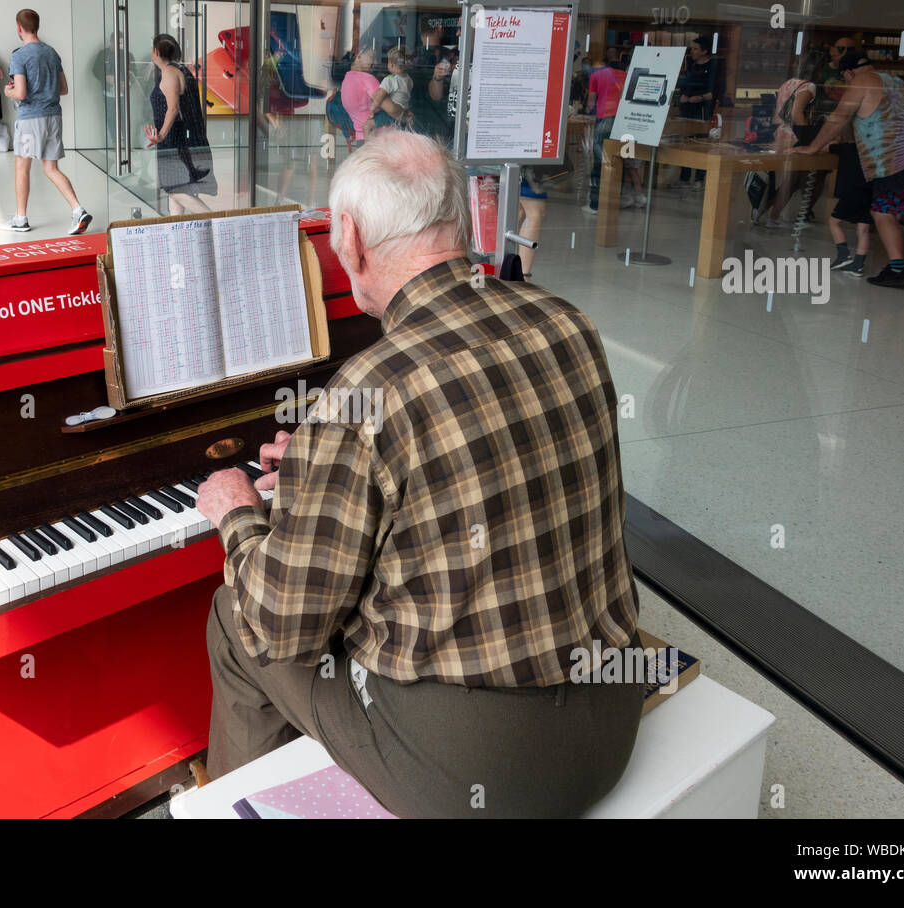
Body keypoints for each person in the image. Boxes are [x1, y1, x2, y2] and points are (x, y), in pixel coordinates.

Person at [195, 131, 644, 819]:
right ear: (463, 219)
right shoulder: (565, 320)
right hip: (613, 717)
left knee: (234, 619)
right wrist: (324, 467)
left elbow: (279, 623)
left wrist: (237, 512)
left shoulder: (365, 390)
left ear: (348, 236)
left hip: (480, 770)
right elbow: (486, 457)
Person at [795, 50, 904, 289]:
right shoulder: (895, 81)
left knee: (882, 211)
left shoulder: (860, 81)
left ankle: (898, 270)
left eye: (844, 78)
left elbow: (839, 117)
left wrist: (812, 147)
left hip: (896, 155)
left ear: (849, 72)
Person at [0, 8, 92, 235]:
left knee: (22, 167)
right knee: (51, 168)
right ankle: (78, 210)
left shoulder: (19, 56)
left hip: (31, 119)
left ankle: (21, 219)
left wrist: (8, 91)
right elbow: (63, 89)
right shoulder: (52, 53)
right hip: (53, 117)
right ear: (37, 26)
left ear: (19, 28)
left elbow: (20, 93)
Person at [145, 33, 216, 214]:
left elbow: (173, 109)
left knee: (176, 190)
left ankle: (217, 221)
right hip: (181, 137)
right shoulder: (179, 70)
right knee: (175, 190)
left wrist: (160, 135)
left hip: (175, 139)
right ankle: (176, 235)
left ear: (155, 52)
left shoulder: (170, 73)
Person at [762, 48, 828, 227]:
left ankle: (765, 212)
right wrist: (807, 140)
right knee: (792, 180)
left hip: (781, 133)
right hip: (795, 135)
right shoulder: (809, 86)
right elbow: (797, 112)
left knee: (789, 178)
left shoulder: (788, 83)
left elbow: (780, 111)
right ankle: (773, 217)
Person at [583, 47, 641, 214]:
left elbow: (591, 102)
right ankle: (618, 199)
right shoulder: (624, 75)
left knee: (599, 159)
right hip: (625, 120)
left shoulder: (595, 75)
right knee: (620, 157)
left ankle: (595, 204)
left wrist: (589, 112)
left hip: (606, 118)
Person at [675, 35, 724, 189]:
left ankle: (699, 179)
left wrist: (700, 98)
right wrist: (683, 95)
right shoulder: (691, 65)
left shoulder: (714, 66)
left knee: (700, 144)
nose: (692, 52)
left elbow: (716, 91)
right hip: (687, 109)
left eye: (695, 49)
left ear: (704, 51)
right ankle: (684, 178)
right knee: (686, 143)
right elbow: (685, 84)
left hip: (702, 110)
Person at [340, 47, 406, 144]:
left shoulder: (346, 80)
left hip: (361, 138)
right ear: (359, 55)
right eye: (372, 57)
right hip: (382, 138)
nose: (375, 63)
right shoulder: (367, 79)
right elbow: (392, 109)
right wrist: (405, 112)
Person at [826, 141, 873, 277]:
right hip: (869, 191)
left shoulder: (845, 147)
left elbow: (825, 147)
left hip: (851, 191)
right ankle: (858, 264)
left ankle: (843, 256)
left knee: (834, 222)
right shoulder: (873, 147)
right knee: (863, 229)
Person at [364, 45, 413, 137]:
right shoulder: (409, 79)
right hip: (403, 112)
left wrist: (372, 108)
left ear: (391, 64)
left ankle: (368, 147)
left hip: (390, 115)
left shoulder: (390, 79)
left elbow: (381, 94)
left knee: (367, 127)